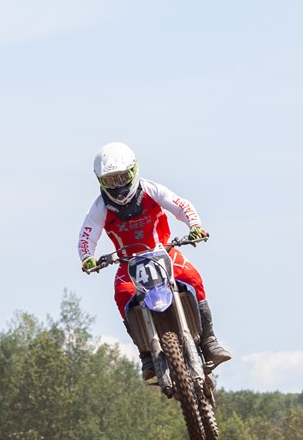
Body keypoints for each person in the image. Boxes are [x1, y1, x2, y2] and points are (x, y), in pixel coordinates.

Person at [78, 142, 231, 380]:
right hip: (129, 263)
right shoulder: (99, 208)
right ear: (100, 181)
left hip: (164, 252)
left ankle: (209, 340)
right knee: (122, 294)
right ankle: (146, 356)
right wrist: (87, 257)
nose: (117, 186)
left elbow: (180, 205)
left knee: (191, 277)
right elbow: (87, 235)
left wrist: (195, 226)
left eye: (122, 178)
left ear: (133, 171)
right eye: (110, 181)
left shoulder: (151, 190)